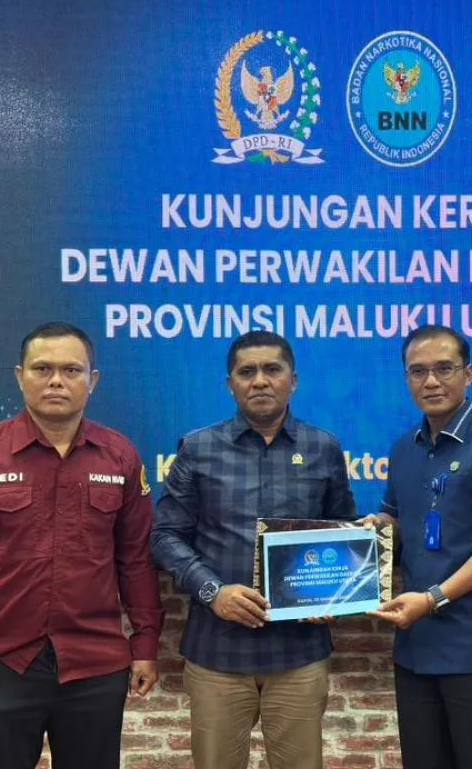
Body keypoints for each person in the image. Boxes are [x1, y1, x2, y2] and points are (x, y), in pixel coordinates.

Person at [0, 321, 163, 769]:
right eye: (42, 369)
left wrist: (145, 644)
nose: (56, 381)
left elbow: (136, 560)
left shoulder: (120, 456)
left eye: (71, 370)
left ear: (92, 380)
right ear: (19, 376)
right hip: (0, 663)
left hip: (95, 665)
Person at [150, 330, 355, 769]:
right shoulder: (198, 448)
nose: (260, 380)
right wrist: (213, 592)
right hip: (217, 654)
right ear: (231, 384)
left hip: (298, 654)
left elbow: (342, 534)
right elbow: (164, 535)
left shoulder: (324, 448)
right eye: (247, 372)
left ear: (292, 380)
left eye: (272, 370)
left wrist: (333, 595)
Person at [364, 325, 472, 769]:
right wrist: (370, 531)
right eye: (418, 371)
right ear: (406, 378)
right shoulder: (404, 449)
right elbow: (396, 521)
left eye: (444, 369)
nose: (431, 382)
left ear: (469, 374)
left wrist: (433, 598)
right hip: (416, 648)